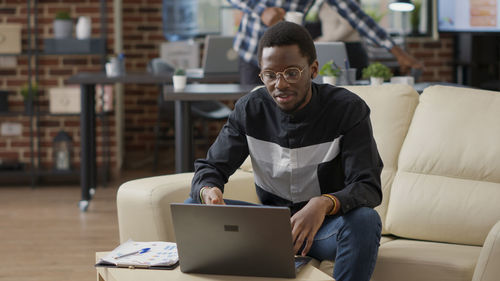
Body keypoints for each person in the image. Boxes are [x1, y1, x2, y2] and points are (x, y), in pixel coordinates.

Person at [187, 21, 383, 281]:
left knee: (365, 221)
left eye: (291, 72)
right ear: (261, 75)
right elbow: (210, 168)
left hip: (324, 229)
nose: (279, 84)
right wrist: (209, 191)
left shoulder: (348, 110)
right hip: (269, 228)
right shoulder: (249, 110)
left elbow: (368, 186)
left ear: (312, 69)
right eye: (270, 75)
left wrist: (323, 204)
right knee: (194, 205)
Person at [227, 0, 423, 85]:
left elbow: (357, 16)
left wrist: (398, 53)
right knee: (253, 113)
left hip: (287, 58)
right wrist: (262, 9)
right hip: (253, 53)